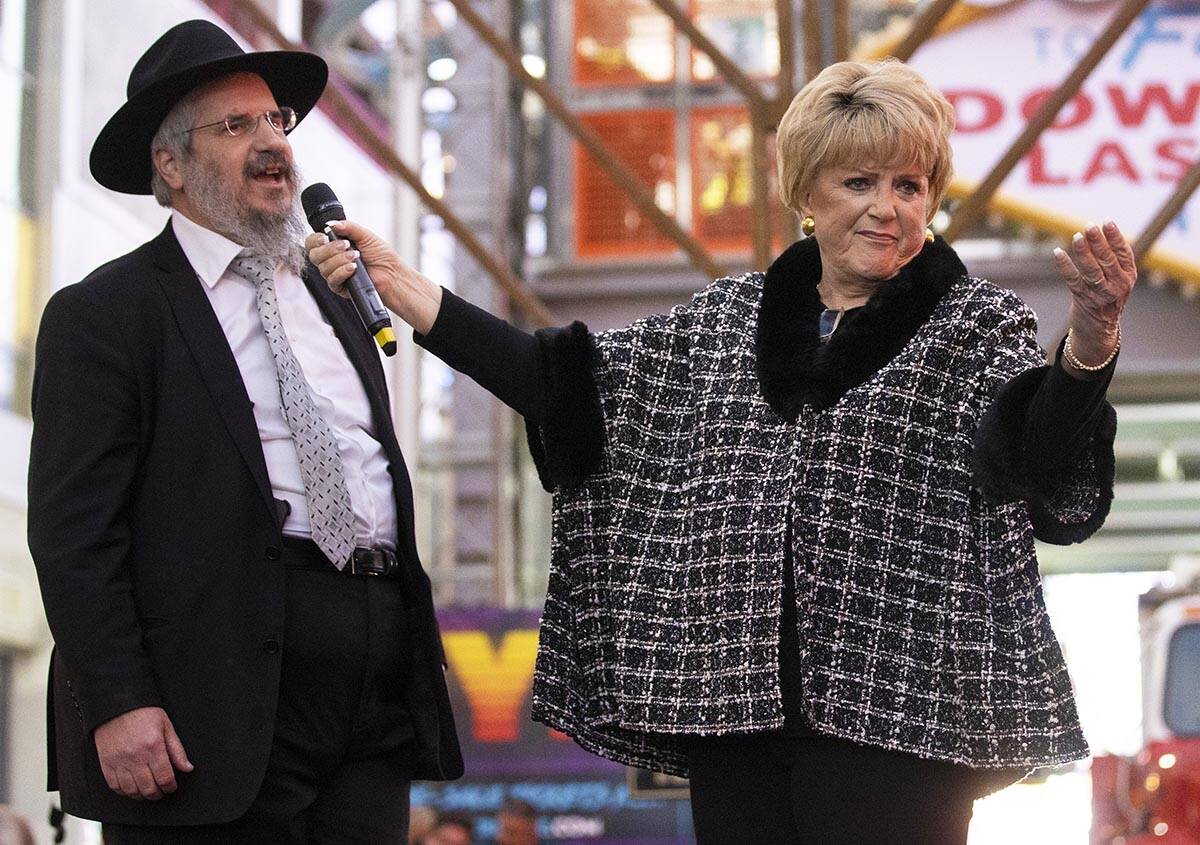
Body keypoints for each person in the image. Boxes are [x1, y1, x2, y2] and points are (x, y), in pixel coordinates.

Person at [307, 60, 1135, 843]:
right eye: (860, 182)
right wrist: (410, 292)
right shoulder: (722, 324)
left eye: (909, 185)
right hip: (732, 710)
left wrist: (1089, 345)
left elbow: (1031, 456)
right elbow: (562, 384)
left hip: (909, 717)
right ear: (806, 192)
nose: (888, 207)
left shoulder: (975, 323)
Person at [27, 19, 461, 842]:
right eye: (236, 126)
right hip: (211, 694)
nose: (272, 144)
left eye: (277, 123)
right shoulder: (109, 314)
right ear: (171, 164)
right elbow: (73, 531)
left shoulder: (338, 296)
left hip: (369, 687)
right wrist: (118, 698)